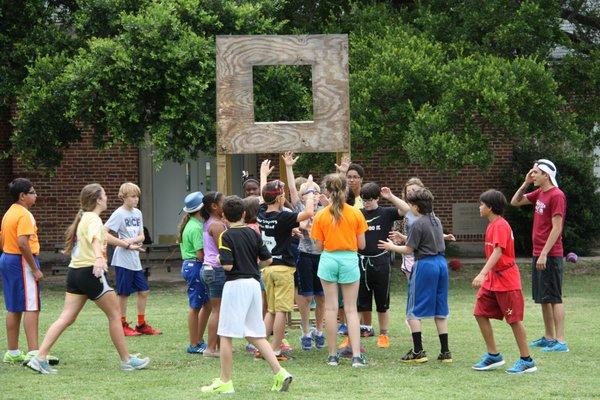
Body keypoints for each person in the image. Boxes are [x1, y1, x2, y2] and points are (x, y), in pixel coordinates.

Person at [27, 184, 149, 374]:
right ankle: (127, 361)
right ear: (98, 200)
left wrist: (126, 245)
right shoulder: (93, 219)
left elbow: (103, 238)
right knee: (115, 315)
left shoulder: (85, 217)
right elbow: (95, 240)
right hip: (90, 272)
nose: (107, 198)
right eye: (105, 195)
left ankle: (39, 357)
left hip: (75, 273)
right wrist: (99, 259)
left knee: (66, 317)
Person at [201, 196, 292, 394]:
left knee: (225, 335)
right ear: (243, 214)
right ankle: (280, 372)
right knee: (255, 334)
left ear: (224, 215)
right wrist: (251, 265)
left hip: (236, 286)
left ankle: (225, 382)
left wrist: (218, 257)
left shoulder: (226, 236)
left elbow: (228, 265)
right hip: (254, 285)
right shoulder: (253, 234)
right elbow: (267, 261)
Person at [379, 188, 452, 364]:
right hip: (441, 264)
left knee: (413, 310)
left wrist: (391, 247)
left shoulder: (417, 223)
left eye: (411, 205)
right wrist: (404, 237)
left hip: (425, 265)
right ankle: (445, 352)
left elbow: (409, 249)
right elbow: (422, 240)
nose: (409, 208)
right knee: (440, 308)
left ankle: (418, 351)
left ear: (417, 207)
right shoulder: (436, 220)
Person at [472, 189, 537, 374]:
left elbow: (498, 252)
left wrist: (482, 274)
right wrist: (487, 275)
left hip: (506, 280)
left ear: (490, 207)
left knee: (514, 320)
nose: (480, 207)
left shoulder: (500, 225)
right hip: (493, 279)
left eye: (482, 204)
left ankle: (527, 360)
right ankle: (494, 356)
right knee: (479, 312)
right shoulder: (491, 224)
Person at [256, 159, 315, 360]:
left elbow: (263, 196)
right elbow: (308, 213)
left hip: (267, 269)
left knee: (271, 310)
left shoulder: (261, 213)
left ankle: (262, 347)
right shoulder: (283, 217)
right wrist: (308, 193)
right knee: (281, 310)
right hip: (282, 269)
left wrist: (263, 175)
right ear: (281, 199)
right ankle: (276, 350)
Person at [510, 159, 568, 352]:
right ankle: (549, 337)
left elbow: (557, 227)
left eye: (535, 173)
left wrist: (544, 253)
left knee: (555, 297)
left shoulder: (556, 195)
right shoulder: (540, 193)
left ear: (546, 175)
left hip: (550, 254)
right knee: (544, 297)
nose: (532, 175)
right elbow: (515, 202)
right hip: (539, 253)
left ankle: (560, 341)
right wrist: (525, 182)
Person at [311, 173, 368, 367]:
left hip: (328, 259)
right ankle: (356, 357)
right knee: (351, 309)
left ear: (327, 191)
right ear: (346, 190)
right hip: (349, 259)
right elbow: (362, 244)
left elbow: (318, 247)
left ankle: (333, 355)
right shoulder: (355, 213)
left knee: (331, 308)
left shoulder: (321, 214)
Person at [1, 178, 48, 364]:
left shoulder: (9, 213)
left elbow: (3, 239)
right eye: (33, 192)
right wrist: (35, 269)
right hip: (21, 261)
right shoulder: (25, 214)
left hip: (7, 258)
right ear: (23, 196)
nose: (36, 195)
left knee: (13, 307)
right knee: (31, 306)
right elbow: (23, 243)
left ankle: (12, 352)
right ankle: (33, 352)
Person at [105, 182, 161, 336]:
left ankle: (141, 324)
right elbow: (104, 232)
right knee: (123, 293)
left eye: (137, 196)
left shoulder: (138, 213)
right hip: (123, 259)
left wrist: (131, 241)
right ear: (124, 197)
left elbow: (143, 236)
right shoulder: (118, 213)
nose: (136, 199)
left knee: (144, 290)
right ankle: (122, 324)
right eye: (133, 196)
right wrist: (126, 243)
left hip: (135, 259)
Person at [282, 152, 325, 351]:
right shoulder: (300, 208)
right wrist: (289, 167)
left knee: (322, 296)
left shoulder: (326, 210)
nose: (312, 196)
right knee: (306, 296)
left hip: (323, 257)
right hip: (304, 256)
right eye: (307, 193)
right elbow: (291, 188)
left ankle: (319, 330)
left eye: (314, 192)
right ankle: (305, 331)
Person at [356, 183, 407, 348]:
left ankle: (383, 334)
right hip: (361, 260)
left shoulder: (386, 212)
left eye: (370, 199)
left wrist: (390, 197)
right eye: (364, 200)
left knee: (382, 301)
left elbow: (406, 210)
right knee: (361, 299)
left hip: (381, 261)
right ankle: (365, 328)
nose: (367, 203)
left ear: (377, 198)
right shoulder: (358, 214)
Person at [178, 191, 212, 354]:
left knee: (207, 304)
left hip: (191, 266)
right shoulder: (197, 227)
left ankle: (198, 339)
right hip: (196, 266)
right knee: (195, 306)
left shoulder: (192, 223)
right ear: (201, 209)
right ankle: (194, 343)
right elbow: (200, 254)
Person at [199, 191, 227, 358]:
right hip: (215, 269)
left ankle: (217, 346)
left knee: (218, 309)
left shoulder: (212, 222)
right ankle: (210, 348)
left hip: (209, 269)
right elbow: (222, 248)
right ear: (214, 206)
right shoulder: (216, 225)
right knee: (217, 310)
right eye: (224, 202)